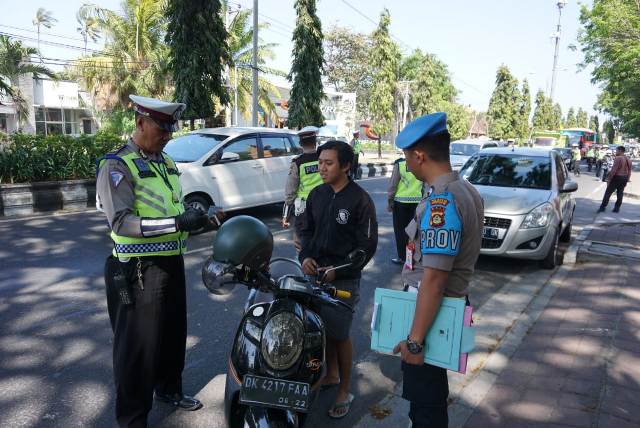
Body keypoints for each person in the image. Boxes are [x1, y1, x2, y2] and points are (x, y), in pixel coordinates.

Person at [97, 95, 219, 427]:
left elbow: (170, 208)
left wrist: (200, 219)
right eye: (160, 129)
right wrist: (178, 223)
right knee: (136, 348)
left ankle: (168, 388)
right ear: (139, 123)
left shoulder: (164, 162)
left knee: (171, 333)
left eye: (169, 130)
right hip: (136, 269)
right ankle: (133, 417)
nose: (166, 135)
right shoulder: (117, 165)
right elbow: (121, 222)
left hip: (170, 261)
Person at [391, 112, 483, 428]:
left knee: (427, 404)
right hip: (441, 311)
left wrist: (415, 342)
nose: (407, 164)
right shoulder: (465, 190)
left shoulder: (442, 202)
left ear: (418, 156)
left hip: (433, 316)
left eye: (406, 158)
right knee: (427, 400)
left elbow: (434, 279)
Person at [298, 140, 378, 419]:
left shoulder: (360, 200)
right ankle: (330, 375)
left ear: (345, 166)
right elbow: (305, 231)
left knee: (339, 334)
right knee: (318, 331)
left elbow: (366, 246)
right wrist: (305, 258)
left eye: (328, 163)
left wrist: (339, 270)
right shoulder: (316, 195)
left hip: (342, 280)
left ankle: (345, 388)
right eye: (320, 162)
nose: (322, 168)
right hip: (313, 276)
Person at [283, 126, 323, 252]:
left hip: (304, 210)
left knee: (301, 245)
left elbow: (290, 192)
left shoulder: (297, 163)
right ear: (315, 141)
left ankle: (306, 267)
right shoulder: (324, 159)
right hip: (324, 204)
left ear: (300, 143)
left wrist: (285, 216)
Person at [388, 157, 423, 265]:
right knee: (414, 232)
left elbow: (393, 185)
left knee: (400, 232)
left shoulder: (400, 165)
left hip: (400, 204)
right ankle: (412, 258)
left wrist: (390, 202)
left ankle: (403, 258)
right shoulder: (420, 163)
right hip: (417, 202)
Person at [598, 145, 633, 213]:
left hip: (617, 177)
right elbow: (629, 170)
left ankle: (603, 207)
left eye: (616, 150)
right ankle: (617, 208)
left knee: (608, 192)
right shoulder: (628, 159)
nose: (615, 152)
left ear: (620, 151)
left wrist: (609, 178)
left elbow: (614, 169)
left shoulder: (618, 158)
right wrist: (628, 178)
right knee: (620, 193)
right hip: (624, 177)